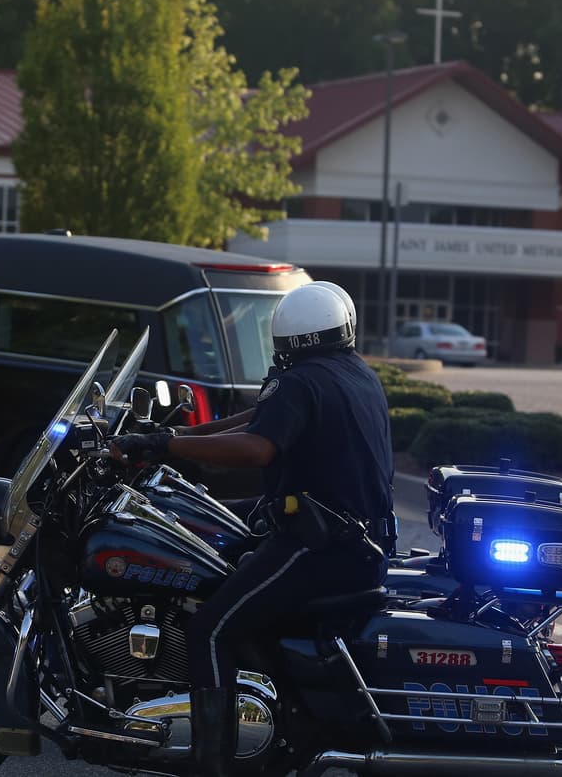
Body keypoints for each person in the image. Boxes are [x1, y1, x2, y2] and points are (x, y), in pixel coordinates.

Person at [109, 283, 394, 777]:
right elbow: (262, 419)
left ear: (283, 340)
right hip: (350, 539)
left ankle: (213, 763)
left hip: (319, 546)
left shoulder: (301, 380)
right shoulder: (349, 372)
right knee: (217, 536)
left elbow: (257, 447)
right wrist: (176, 435)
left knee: (211, 628)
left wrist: (164, 447)